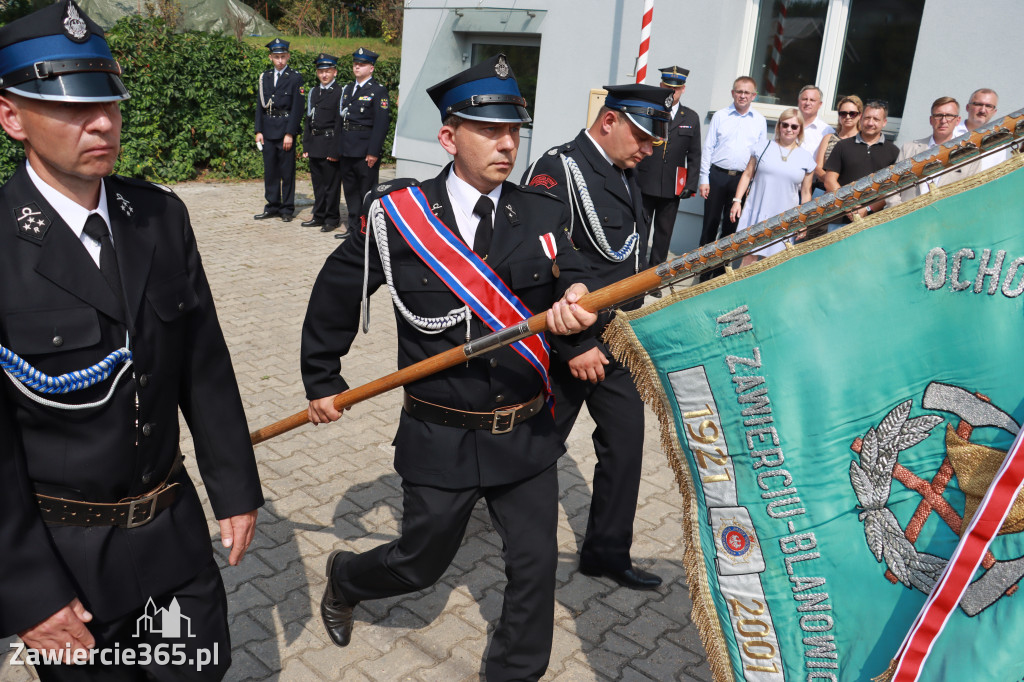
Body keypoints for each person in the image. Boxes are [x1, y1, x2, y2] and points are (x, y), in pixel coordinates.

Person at [303, 54, 596, 682]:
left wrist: (577, 309)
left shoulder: (541, 213)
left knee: (534, 564)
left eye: (514, 130)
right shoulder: (398, 217)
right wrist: (322, 379)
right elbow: (335, 292)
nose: (507, 144)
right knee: (419, 564)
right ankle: (347, 578)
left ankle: (515, 671)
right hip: (441, 431)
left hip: (524, 427)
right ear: (448, 137)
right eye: (489, 131)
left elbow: (571, 280)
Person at [0, 2, 264, 679]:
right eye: (71, 108)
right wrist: (25, 590)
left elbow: (203, 364)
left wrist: (234, 486)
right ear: (11, 117)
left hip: (173, 534)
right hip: (67, 563)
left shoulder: (157, 216)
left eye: (110, 103)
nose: (102, 123)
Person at [522, 83, 669, 590]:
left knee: (626, 446)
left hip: (619, 337)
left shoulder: (625, 171)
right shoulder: (557, 168)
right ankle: (488, 525)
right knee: (531, 447)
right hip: (570, 342)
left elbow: (626, 254)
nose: (649, 149)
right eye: (644, 136)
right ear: (610, 121)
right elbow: (538, 265)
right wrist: (574, 347)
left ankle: (606, 554)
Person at [697, 76, 767, 279]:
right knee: (709, 225)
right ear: (733, 93)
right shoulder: (720, 115)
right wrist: (704, 179)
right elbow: (708, 147)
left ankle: (720, 272)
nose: (742, 95)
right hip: (717, 176)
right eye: (739, 91)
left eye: (747, 92)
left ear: (754, 95)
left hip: (741, 181)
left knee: (731, 226)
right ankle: (703, 270)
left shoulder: (759, 120)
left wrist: (752, 185)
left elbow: (760, 155)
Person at [729, 108, 814, 266]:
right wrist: (737, 200)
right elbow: (747, 175)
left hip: (785, 217)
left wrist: (804, 220)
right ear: (779, 126)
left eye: (794, 126)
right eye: (785, 125)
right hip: (758, 212)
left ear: (800, 130)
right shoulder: (762, 147)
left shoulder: (806, 158)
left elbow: (806, 192)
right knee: (749, 259)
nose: (789, 129)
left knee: (774, 264)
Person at [635, 66, 701, 270]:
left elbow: (695, 154)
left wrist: (691, 184)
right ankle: (637, 271)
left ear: (683, 89)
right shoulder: (649, 111)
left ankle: (655, 276)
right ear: (661, 86)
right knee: (641, 230)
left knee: (664, 233)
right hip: (644, 181)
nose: (672, 93)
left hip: (672, 185)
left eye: (676, 89)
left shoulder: (690, 117)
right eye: (667, 88)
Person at [886, 97, 980, 207]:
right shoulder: (909, 149)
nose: (943, 120)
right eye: (938, 115)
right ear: (931, 120)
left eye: (949, 115)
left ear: (957, 120)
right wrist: (899, 211)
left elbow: (971, 194)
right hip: (906, 218)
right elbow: (892, 186)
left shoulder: (970, 155)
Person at [338, 47, 390, 237]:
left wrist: (373, 152)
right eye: (355, 64)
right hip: (347, 149)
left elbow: (381, 124)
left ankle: (366, 231)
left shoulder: (378, 91)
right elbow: (341, 121)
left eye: (362, 64)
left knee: (366, 192)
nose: (357, 67)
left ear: (371, 68)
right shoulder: (348, 89)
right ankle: (353, 229)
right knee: (350, 191)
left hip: (365, 151)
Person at [823, 100, 899, 221]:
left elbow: (891, 189)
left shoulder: (893, 152)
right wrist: (848, 205)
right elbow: (829, 180)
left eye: (876, 119)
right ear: (861, 118)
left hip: (873, 221)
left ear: (884, 122)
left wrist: (867, 208)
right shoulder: (843, 146)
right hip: (838, 218)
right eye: (867, 118)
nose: (870, 123)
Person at [254, 38, 303, 223]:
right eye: (276, 57)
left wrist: (290, 133)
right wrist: (258, 130)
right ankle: (272, 206)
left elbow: (297, 108)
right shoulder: (264, 77)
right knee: (270, 171)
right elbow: (260, 106)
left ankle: (287, 209)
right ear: (270, 57)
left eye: (283, 56)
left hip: (284, 130)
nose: (280, 60)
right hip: (267, 129)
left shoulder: (295, 77)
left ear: (288, 56)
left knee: (287, 171)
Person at [301, 53, 344, 232]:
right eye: (321, 71)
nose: (324, 75)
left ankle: (331, 219)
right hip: (315, 143)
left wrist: (335, 150)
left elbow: (339, 123)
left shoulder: (340, 92)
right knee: (318, 185)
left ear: (335, 72)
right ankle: (318, 216)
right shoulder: (313, 91)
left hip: (329, 143)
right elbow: (308, 120)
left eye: (327, 71)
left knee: (331, 186)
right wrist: (306, 145)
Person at [954, 88, 1009, 171]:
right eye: (978, 104)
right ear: (968, 107)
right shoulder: (951, 133)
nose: (983, 110)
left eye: (988, 106)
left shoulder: (998, 143)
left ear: (994, 112)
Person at [795, 85, 835, 165]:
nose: (807, 103)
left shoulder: (827, 131)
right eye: (804, 99)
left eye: (812, 100)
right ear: (798, 101)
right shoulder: (786, 125)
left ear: (820, 104)